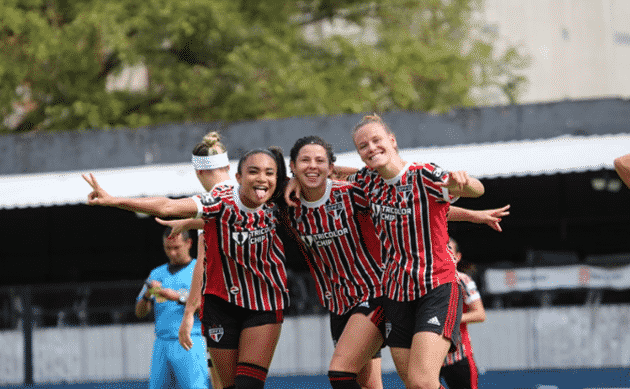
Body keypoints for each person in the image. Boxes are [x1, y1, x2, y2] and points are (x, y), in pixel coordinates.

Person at [84, 147, 289, 389]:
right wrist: (113, 200)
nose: (262, 179)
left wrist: (188, 313)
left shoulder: (280, 198)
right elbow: (167, 206)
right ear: (237, 176)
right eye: (254, 171)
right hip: (214, 312)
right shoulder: (217, 202)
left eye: (269, 173)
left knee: (245, 385)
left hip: (258, 306)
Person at [286, 135, 386, 389]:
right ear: (292, 167)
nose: (312, 166)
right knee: (369, 385)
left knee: (341, 374)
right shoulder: (288, 206)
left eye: (320, 161)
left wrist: (471, 215)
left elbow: (387, 183)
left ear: (331, 167)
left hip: (373, 293)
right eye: (305, 160)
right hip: (338, 304)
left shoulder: (351, 194)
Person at [135, 228, 209, 389]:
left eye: (176, 247)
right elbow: (139, 312)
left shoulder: (200, 270)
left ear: (189, 243)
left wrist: (178, 297)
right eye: (168, 248)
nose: (172, 253)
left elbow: (210, 306)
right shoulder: (156, 274)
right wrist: (148, 294)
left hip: (191, 341)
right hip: (161, 342)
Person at [440, 238, 486, 389]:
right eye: (440, 250)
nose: (444, 254)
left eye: (449, 251)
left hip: (459, 356)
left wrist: (449, 318)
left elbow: (480, 314)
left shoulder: (463, 280)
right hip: (431, 357)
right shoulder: (424, 281)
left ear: (458, 257)